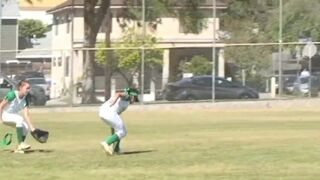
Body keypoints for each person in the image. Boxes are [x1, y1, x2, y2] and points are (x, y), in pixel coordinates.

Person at [99, 87, 139, 155]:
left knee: (122, 131)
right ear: (132, 95)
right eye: (135, 96)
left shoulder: (126, 101)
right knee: (122, 131)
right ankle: (107, 142)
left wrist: (113, 134)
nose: (135, 99)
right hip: (109, 112)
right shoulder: (127, 96)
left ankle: (116, 149)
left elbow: (115, 122)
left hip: (103, 113)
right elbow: (118, 94)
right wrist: (113, 103)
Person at [0, 80, 36, 153]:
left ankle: (19, 148)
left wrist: (32, 128)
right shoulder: (12, 95)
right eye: (27, 88)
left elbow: (26, 115)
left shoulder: (25, 99)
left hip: (12, 116)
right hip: (4, 115)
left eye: (29, 88)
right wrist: (0, 118)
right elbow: (1, 106)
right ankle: (21, 144)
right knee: (19, 119)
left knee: (26, 128)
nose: (29, 90)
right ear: (20, 88)